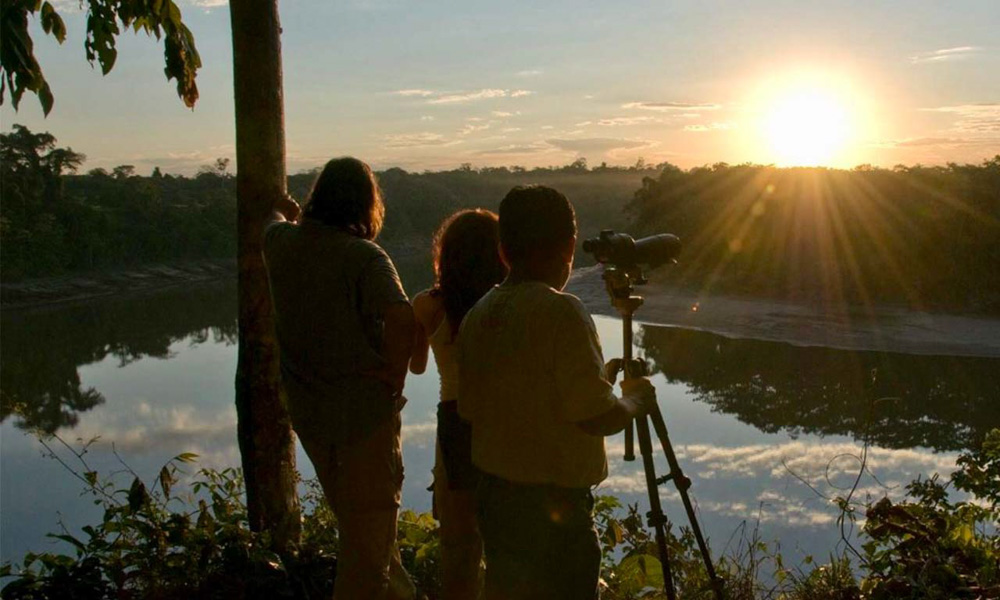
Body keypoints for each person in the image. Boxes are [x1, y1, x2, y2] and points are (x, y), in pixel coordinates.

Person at [457, 185, 657, 600]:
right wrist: (635, 400)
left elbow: (495, 402)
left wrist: (598, 377)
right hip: (553, 514)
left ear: (504, 250)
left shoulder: (480, 313)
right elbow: (595, 417)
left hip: (495, 500)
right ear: (568, 246)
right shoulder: (561, 311)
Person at [263, 157, 415, 600]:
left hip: (310, 416)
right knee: (367, 555)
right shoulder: (363, 255)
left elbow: (268, 222)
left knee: (365, 537)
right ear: (366, 205)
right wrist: (393, 373)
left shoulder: (280, 243)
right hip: (362, 419)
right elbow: (402, 317)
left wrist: (283, 211)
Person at [409, 209, 507, 600]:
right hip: (504, 419)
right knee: (504, 544)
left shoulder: (427, 305)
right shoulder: (506, 304)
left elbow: (416, 367)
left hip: (454, 421)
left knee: (459, 547)